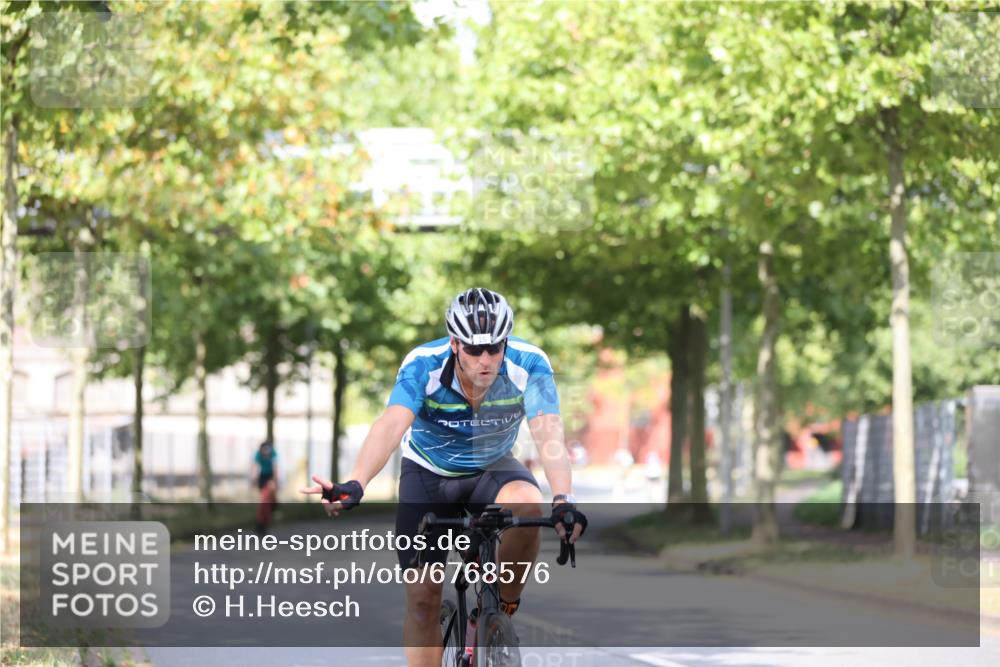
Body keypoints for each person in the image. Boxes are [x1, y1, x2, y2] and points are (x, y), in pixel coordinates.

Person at [302, 287, 587, 667]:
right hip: (429, 474)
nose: (486, 360)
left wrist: (563, 499)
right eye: (473, 350)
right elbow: (391, 424)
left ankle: (500, 609)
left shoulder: (529, 362)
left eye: (494, 348)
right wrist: (356, 482)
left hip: (492, 467)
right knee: (423, 599)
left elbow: (548, 431)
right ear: (455, 344)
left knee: (529, 502)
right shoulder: (424, 364)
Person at [253, 440, 278, 535]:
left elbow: (276, 468)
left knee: (266, 501)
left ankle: (262, 524)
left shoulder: (274, 454)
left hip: (270, 478)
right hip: (262, 478)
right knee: (264, 503)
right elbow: (255, 467)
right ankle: (261, 524)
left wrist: (275, 482)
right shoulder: (257, 455)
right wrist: (254, 479)